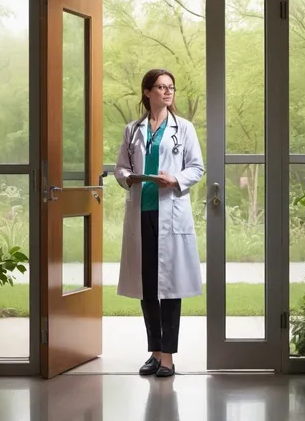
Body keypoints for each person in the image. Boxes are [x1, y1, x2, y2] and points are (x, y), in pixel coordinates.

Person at [114, 68, 204, 378]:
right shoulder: (133, 129)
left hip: (170, 213)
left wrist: (175, 179)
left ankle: (168, 357)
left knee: (170, 288)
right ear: (147, 92)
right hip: (143, 213)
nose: (167, 92)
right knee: (148, 287)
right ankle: (153, 352)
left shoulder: (184, 128)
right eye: (161, 87)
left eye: (171, 88)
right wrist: (129, 178)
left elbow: (196, 168)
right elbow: (121, 168)